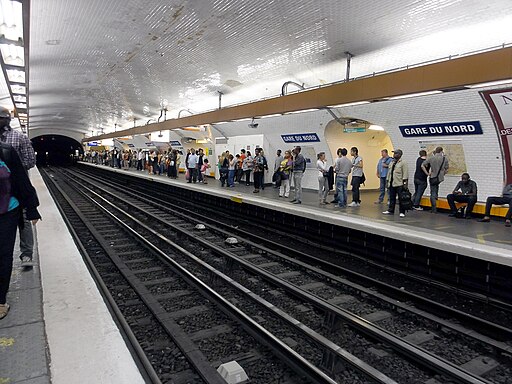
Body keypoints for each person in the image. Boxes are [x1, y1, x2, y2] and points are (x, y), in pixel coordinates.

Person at [0, 142, 42, 319]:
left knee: (3, 254)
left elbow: (21, 180)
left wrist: (31, 208)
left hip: (7, 210)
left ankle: (0, 300)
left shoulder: (6, 151)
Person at [0, 107, 37, 268]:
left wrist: (12, 169)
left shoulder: (19, 137)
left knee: (24, 218)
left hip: (17, 186)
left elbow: (30, 161)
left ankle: (27, 253)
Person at [421, 147, 449, 213]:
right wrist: (443, 174)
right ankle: (436, 201)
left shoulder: (431, 158)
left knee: (433, 191)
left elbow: (422, 165)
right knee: (436, 189)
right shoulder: (444, 159)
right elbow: (447, 169)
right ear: (441, 151)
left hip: (433, 177)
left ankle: (434, 208)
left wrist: (427, 173)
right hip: (440, 178)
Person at [382, 149, 409, 218]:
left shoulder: (403, 163)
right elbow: (389, 173)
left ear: (400, 155)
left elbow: (405, 173)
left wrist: (405, 184)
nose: (394, 155)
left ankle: (402, 212)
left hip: (399, 183)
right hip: (392, 183)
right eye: (394, 153)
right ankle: (391, 210)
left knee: (401, 198)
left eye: (396, 153)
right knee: (392, 198)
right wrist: (387, 181)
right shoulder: (392, 162)